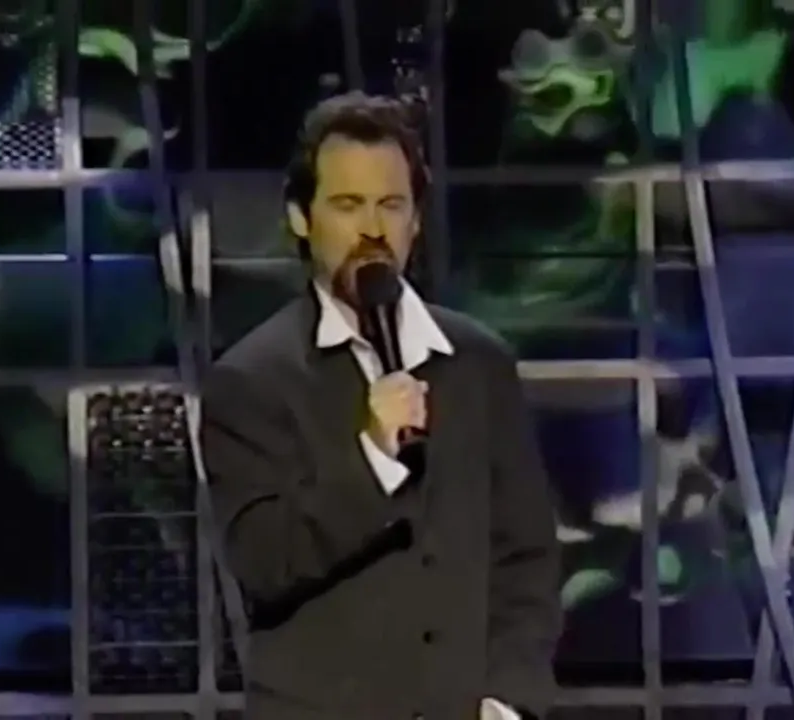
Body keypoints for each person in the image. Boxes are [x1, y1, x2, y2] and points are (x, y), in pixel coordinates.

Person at [201, 92, 561, 720]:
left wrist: (508, 699)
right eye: (348, 204)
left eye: (391, 205)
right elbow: (263, 562)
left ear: (415, 221)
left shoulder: (478, 363)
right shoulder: (251, 380)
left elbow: (525, 556)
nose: (372, 228)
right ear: (301, 218)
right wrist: (370, 456)